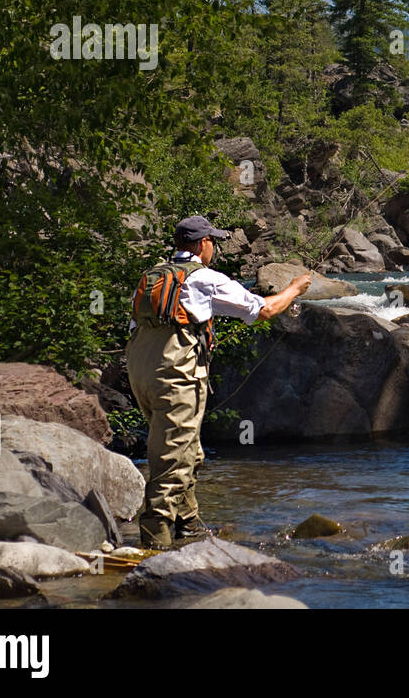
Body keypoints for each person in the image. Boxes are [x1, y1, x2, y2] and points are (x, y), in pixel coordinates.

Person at [126, 215, 310, 549]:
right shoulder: (204, 279)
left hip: (141, 372)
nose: (216, 246)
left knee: (188, 450)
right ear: (201, 244)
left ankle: (188, 523)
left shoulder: (154, 274)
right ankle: (155, 541)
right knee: (172, 459)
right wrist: (294, 289)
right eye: (213, 241)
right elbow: (264, 310)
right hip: (176, 374)